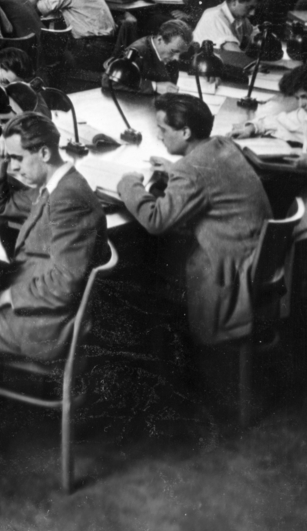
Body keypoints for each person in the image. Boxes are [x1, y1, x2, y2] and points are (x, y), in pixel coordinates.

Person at [0, 113, 108, 365]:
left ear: (43, 153)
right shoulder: (56, 185)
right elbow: (2, 207)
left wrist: (8, 296)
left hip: (44, 326)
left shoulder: (67, 199)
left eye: (18, 158)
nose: (14, 168)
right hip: (36, 301)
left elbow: (63, 284)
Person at [115, 94, 270, 346]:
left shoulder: (190, 171)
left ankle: (166, 348)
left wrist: (129, 184)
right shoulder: (222, 144)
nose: (159, 136)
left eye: (163, 129)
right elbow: (206, 176)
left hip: (228, 268)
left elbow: (156, 221)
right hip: (255, 252)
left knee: (142, 263)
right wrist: (175, 170)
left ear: (185, 132)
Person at [233, 61, 307, 241]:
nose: (301, 104)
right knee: (271, 216)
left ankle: (281, 264)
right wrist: (252, 127)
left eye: (306, 97)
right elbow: (281, 120)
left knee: (283, 233)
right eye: (298, 98)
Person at [192, 0, 264, 52]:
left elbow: (252, 33)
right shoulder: (213, 16)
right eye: (249, 8)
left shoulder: (240, 19)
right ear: (234, 1)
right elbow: (234, 53)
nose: (252, 13)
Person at [123, 18, 193, 93]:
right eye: (173, 51)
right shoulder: (137, 52)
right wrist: (154, 86)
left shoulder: (171, 57)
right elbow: (112, 82)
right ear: (160, 40)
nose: (177, 58)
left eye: (181, 53)